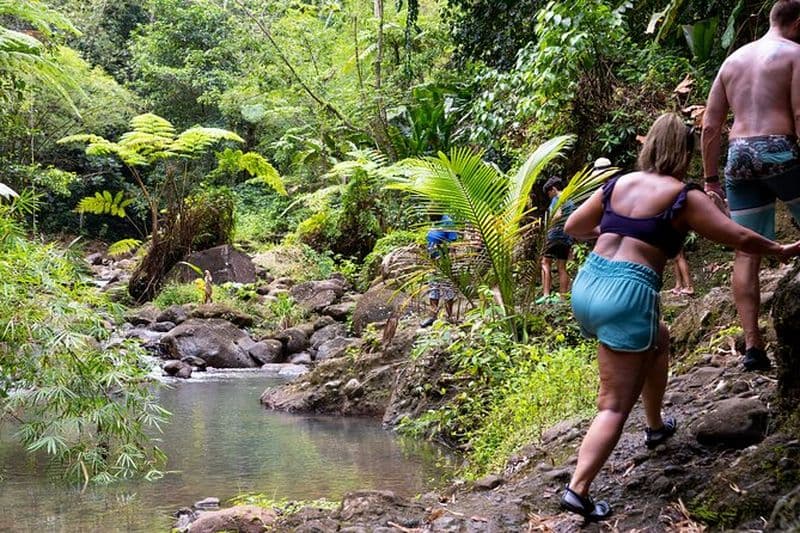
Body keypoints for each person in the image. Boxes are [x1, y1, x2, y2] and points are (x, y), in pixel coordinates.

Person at [560, 113, 800, 521]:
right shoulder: (682, 197)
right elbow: (737, 236)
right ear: (684, 152)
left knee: (660, 336)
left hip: (587, 287)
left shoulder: (616, 184)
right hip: (627, 294)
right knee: (614, 405)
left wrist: (612, 234)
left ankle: (655, 426)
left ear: (649, 146)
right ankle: (578, 490)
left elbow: (572, 226)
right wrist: (778, 251)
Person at [702, 0, 800, 371]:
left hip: (739, 155)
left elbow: (711, 126)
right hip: (779, 148)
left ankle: (754, 347)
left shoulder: (733, 60)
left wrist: (711, 180)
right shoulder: (794, 54)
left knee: (747, 250)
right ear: (797, 23)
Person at [538, 177, 575, 303]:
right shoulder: (570, 201)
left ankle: (546, 295)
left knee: (545, 262)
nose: (549, 196)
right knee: (561, 267)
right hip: (566, 236)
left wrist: (548, 224)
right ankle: (563, 298)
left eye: (549, 192)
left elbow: (557, 214)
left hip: (555, 235)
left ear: (553, 189)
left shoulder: (556, 199)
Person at [421, 214, 458, 327]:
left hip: (443, 261)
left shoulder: (448, 222)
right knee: (433, 288)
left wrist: (449, 261)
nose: (428, 217)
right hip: (433, 262)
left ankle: (449, 317)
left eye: (430, 215)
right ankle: (433, 316)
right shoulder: (435, 223)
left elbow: (453, 244)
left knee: (447, 289)